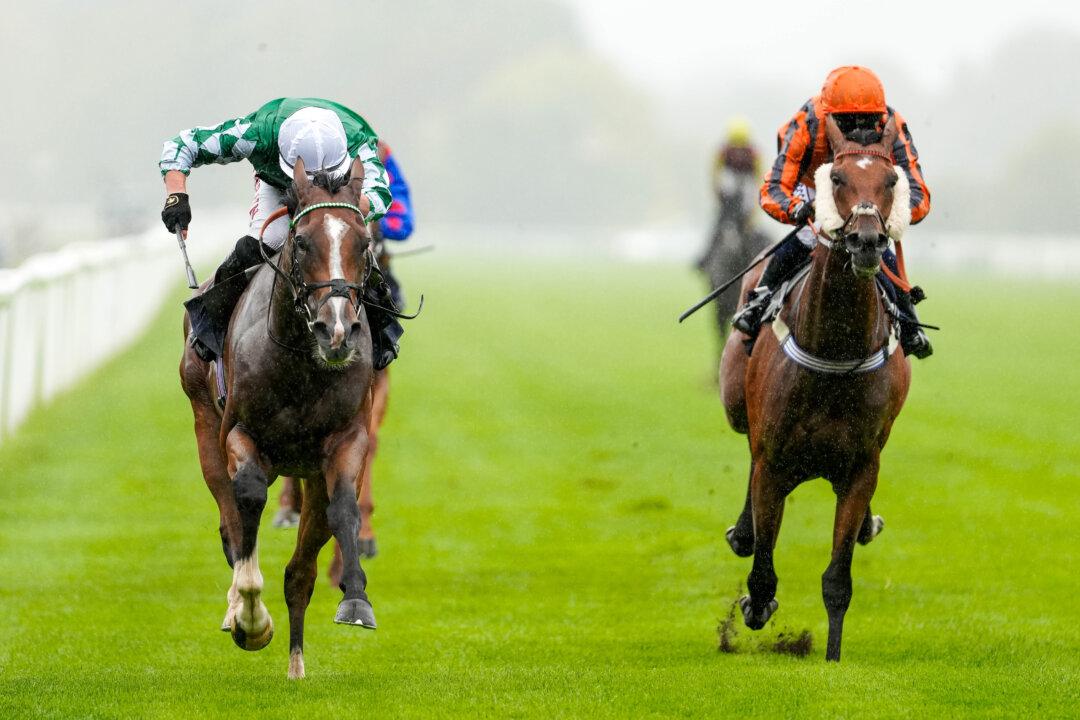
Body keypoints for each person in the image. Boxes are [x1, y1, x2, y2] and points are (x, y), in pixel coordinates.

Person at [158, 97, 403, 367]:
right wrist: (176, 193)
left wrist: (347, 206)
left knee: (351, 245)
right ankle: (210, 324)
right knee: (269, 239)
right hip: (282, 187)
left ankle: (383, 332)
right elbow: (182, 145)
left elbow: (380, 195)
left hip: (340, 191)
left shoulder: (357, 137)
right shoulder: (258, 134)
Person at [731, 66, 933, 358]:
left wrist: (896, 214)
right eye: (847, 121)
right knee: (806, 238)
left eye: (867, 120)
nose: (858, 129)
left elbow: (917, 190)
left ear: (880, 115)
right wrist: (796, 208)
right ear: (829, 114)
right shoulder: (807, 122)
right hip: (814, 185)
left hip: (867, 193)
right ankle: (759, 299)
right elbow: (773, 186)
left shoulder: (893, 126)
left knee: (878, 246)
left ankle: (909, 323)